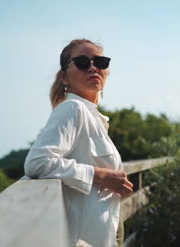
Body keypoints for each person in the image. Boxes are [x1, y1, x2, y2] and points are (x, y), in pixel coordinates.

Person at [24, 39, 133, 247]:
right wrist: (100, 175)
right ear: (64, 77)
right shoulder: (72, 109)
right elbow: (37, 162)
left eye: (100, 62)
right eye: (83, 62)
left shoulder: (94, 117)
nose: (93, 67)